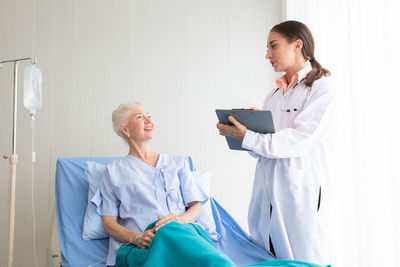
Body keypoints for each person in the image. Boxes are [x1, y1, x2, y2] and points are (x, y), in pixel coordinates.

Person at [216, 20, 335, 265]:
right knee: (266, 256)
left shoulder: (321, 88)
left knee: (303, 258)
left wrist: (248, 136)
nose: (268, 55)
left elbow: (300, 140)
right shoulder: (273, 95)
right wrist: (247, 131)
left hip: (297, 191)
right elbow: (264, 149)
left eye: (273, 46)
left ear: (297, 45)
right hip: (265, 191)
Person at [94, 103, 235, 267]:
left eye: (149, 115)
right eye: (140, 117)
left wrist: (177, 221)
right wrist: (137, 238)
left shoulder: (178, 163)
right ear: (125, 129)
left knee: (199, 254)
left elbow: (196, 208)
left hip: (184, 235)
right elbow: (109, 224)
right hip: (142, 246)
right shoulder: (113, 172)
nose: (148, 120)